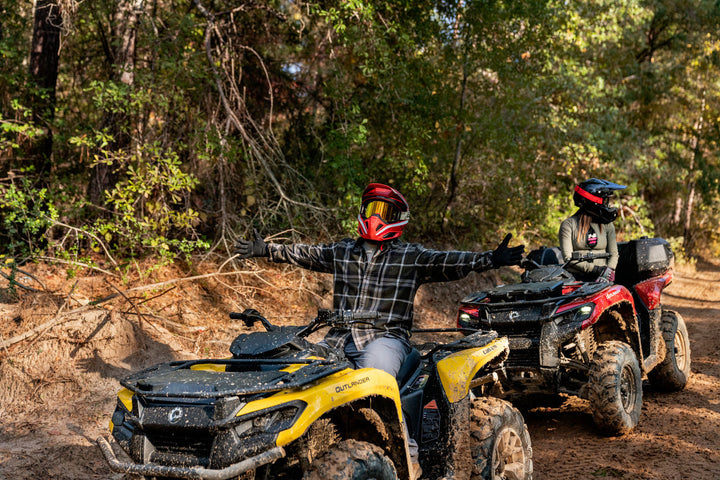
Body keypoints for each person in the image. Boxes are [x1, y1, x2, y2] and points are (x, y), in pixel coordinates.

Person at [234, 182, 524, 479]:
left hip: (387, 339)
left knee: (373, 374)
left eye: (385, 211)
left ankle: (408, 454)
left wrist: (490, 258)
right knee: (301, 370)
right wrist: (267, 249)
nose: (376, 217)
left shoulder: (411, 256)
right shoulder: (343, 250)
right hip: (338, 338)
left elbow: (448, 261)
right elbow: (306, 253)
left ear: (399, 218)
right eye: (371, 208)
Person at [559, 178, 626, 282]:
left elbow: (614, 253)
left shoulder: (607, 225)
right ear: (592, 201)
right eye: (604, 201)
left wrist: (609, 270)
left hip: (603, 278)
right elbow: (568, 258)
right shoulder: (568, 225)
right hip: (576, 279)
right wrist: (596, 269)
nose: (606, 204)